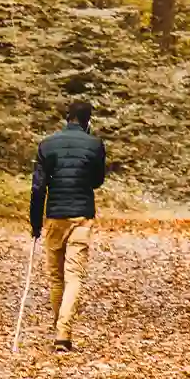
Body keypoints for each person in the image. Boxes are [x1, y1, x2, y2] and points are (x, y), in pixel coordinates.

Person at [29, 99, 107, 352]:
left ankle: (58, 328)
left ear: (67, 117)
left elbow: (38, 187)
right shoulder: (95, 145)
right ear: (88, 121)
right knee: (74, 276)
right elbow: (96, 181)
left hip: (55, 216)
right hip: (82, 216)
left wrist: (35, 223)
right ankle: (63, 333)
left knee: (56, 277)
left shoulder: (47, 145)